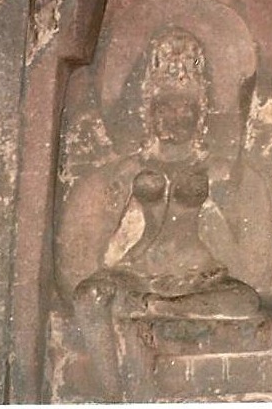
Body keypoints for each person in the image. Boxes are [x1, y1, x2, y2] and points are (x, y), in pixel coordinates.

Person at [62, 28, 260, 401]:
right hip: (134, 278)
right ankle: (111, 396)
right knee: (90, 295)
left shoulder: (221, 172)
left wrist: (208, 202)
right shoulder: (125, 173)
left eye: (186, 107)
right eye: (164, 106)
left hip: (201, 282)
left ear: (202, 112)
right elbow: (94, 250)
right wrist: (133, 197)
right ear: (147, 111)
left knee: (245, 302)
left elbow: (243, 261)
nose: (176, 117)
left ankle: (161, 308)